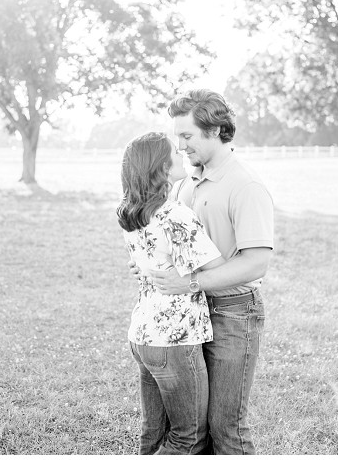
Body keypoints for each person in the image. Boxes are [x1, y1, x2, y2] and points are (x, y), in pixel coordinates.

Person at [131, 89, 274, 454]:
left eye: (187, 136)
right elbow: (172, 242)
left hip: (232, 313)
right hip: (187, 316)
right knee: (184, 427)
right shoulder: (183, 182)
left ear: (215, 131)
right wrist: (150, 263)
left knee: (225, 428)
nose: (178, 146)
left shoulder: (246, 186)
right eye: (176, 136)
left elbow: (256, 262)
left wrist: (188, 282)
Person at [118, 132, 227, 454]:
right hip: (175, 340)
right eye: (172, 154)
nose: (181, 153)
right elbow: (217, 267)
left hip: (143, 333)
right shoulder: (174, 214)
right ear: (161, 168)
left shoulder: (131, 212)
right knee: (188, 435)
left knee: (153, 431)